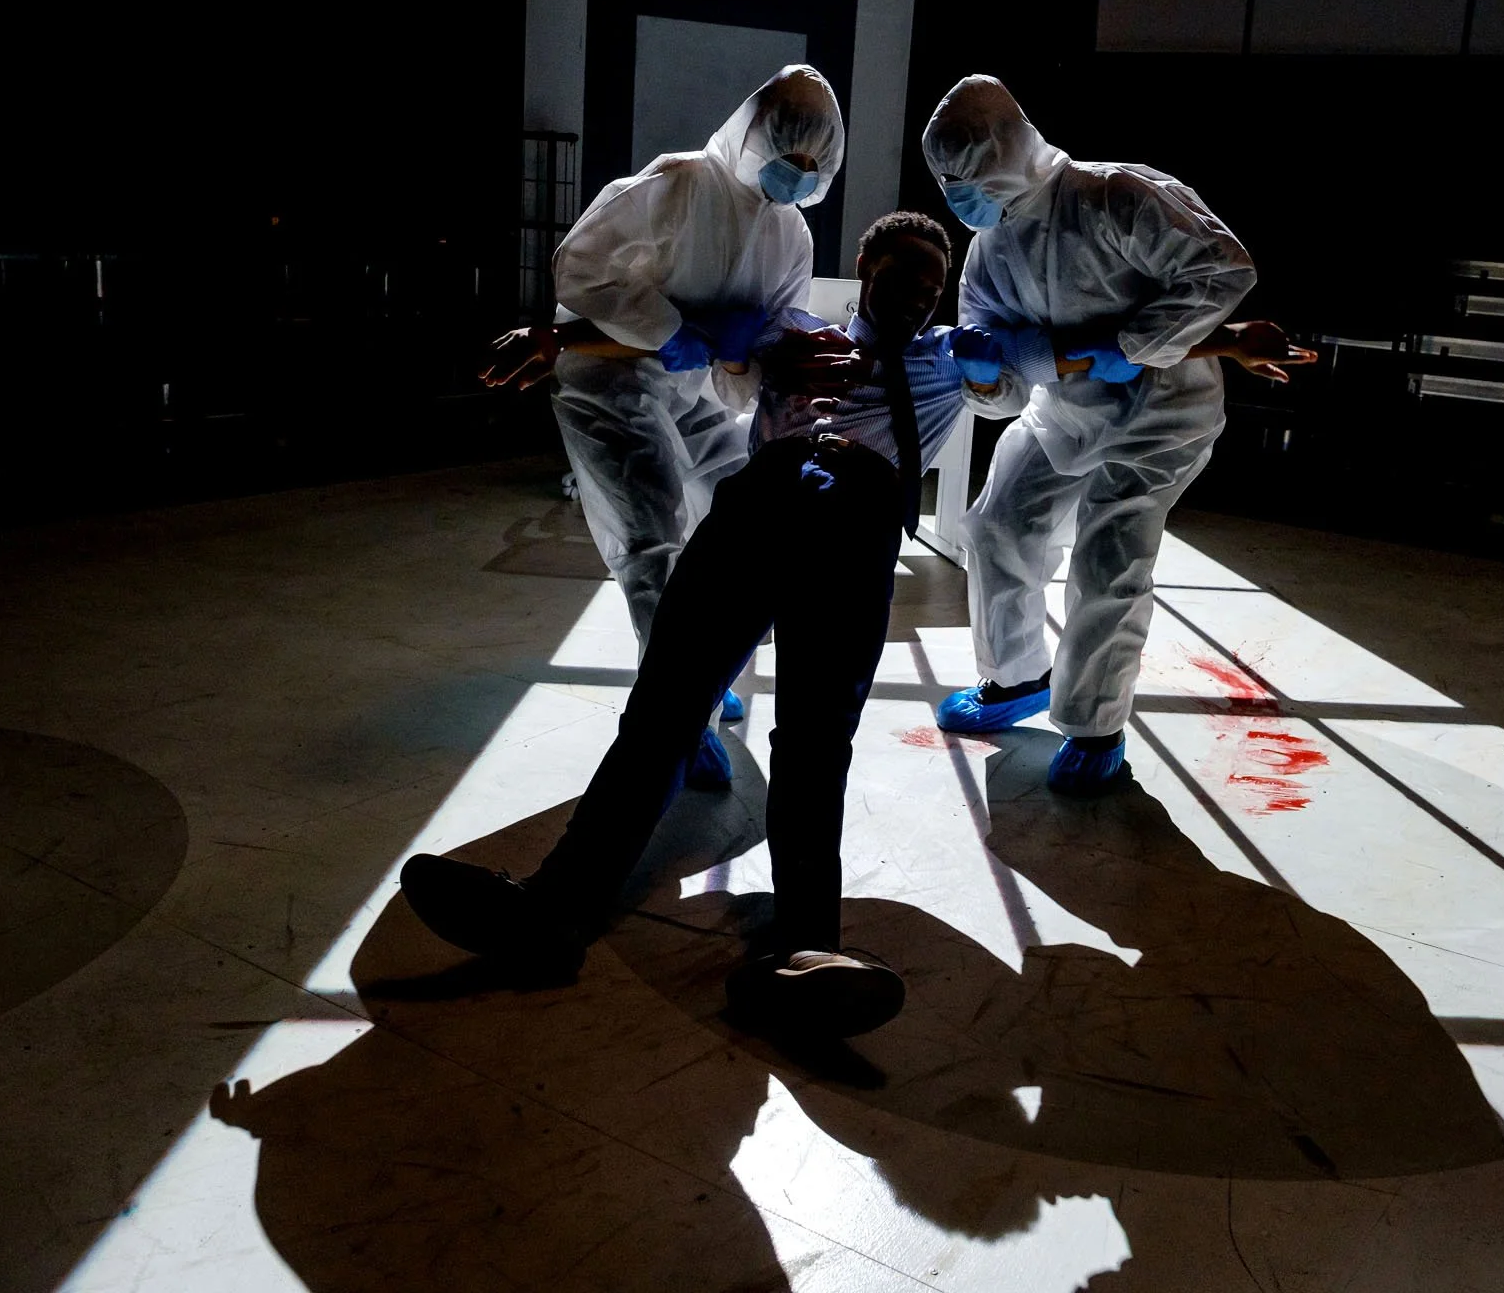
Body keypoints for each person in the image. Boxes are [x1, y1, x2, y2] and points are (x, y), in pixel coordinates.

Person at [403, 211, 979, 1038]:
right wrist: (561, 339)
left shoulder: (955, 360)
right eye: (901, 274)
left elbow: (1069, 356)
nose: (918, 295)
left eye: (933, 284)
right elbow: (675, 337)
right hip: (758, 503)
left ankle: (808, 952)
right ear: (863, 267)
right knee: (663, 713)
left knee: (816, 744)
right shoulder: (788, 332)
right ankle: (551, 911)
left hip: (857, 525)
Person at [922, 74, 1314, 793]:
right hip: (1063, 410)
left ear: (1009, 152)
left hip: (1158, 416)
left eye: (968, 176)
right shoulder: (988, 252)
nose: (959, 194)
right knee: (998, 525)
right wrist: (983, 376)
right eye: (947, 182)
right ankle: (1017, 678)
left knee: (1108, 558)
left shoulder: (1115, 195)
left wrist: (1133, 345)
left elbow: (1221, 268)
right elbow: (1008, 390)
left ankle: (1095, 725)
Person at [485, 64, 845, 789]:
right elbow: (581, 269)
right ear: (751, 137)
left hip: (694, 386)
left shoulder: (792, 236)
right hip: (610, 384)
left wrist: (739, 354)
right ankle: (680, 716)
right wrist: (668, 327)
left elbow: (757, 353)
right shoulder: (678, 184)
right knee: (652, 534)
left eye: (815, 163)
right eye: (789, 154)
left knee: (742, 516)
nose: (799, 174)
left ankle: (699, 668)